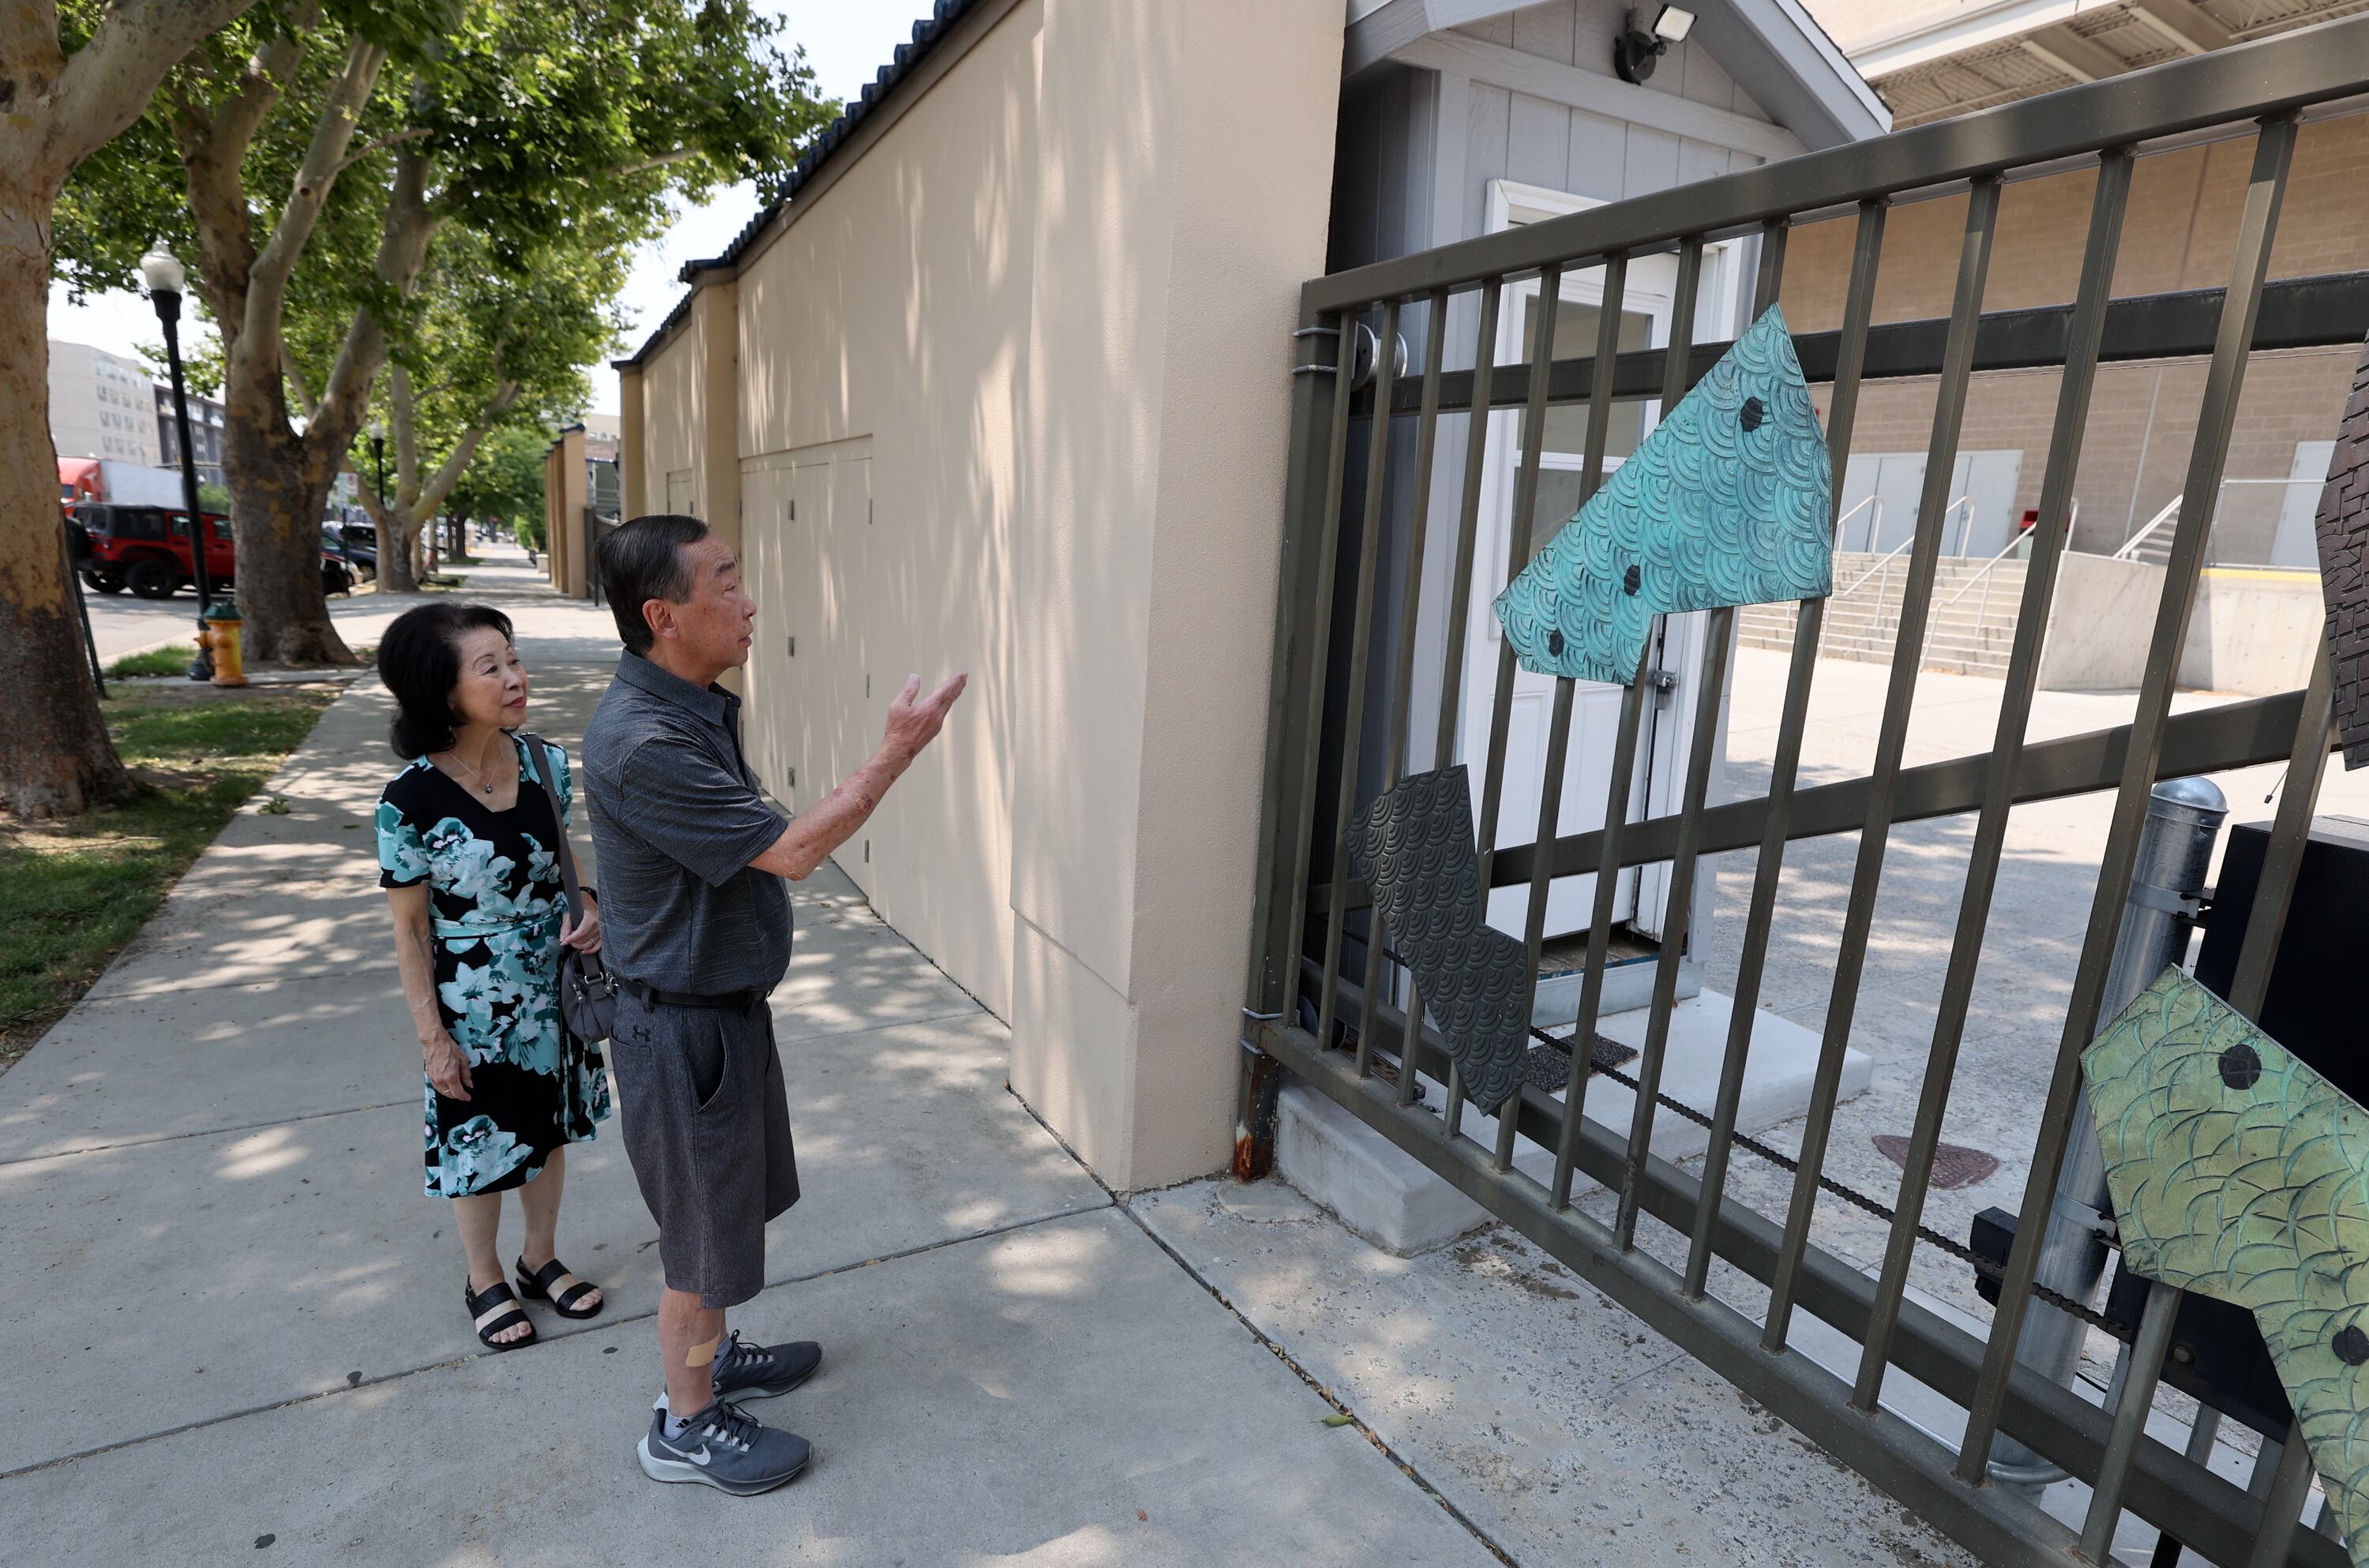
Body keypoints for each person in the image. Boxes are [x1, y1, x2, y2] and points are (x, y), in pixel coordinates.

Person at [582, 513, 963, 1495]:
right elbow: (791, 852)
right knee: (700, 1244)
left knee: (728, 1212)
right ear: (663, 616)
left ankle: (711, 1355)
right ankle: (685, 1421)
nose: (749, 604)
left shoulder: (690, 702)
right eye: (726, 585)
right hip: (681, 1030)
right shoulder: (646, 740)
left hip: (718, 1012)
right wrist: (896, 755)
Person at [375, 602, 612, 1353]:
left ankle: (539, 1258)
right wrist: (432, 1039)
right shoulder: (408, 799)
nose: (516, 678)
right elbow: (410, 929)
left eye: (513, 659)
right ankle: (484, 1279)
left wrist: (592, 906)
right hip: (471, 1000)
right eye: (491, 667)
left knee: (546, 1131)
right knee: (479, 1142)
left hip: (553, 985)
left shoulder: (546, 762)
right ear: (442, 692)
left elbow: (560, 863)